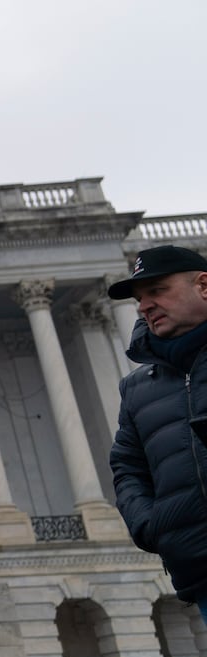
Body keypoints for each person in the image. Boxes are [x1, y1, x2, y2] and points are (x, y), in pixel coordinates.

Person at [107, 245, 207, 623]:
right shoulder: (137, 387)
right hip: (198, 568)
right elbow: (127, 468)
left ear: (204, 286)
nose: (144, 305)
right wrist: (151, 525)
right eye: (139, 298)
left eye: (157, 290)